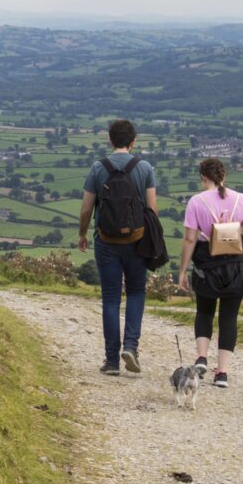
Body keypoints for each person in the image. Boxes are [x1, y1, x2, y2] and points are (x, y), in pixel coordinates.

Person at [78, 119, 158, 376]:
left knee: (111, 298)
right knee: (136, 293)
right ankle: (131, 347)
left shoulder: (98, 168)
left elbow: (87, 208)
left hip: (107, 241)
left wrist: (82, 234)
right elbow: (152, 210)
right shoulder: (145, 168)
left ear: (110, 140)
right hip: (137, 240)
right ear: (133, 141)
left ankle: (112, 360)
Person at [178, 158, 243, 388]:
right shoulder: (242, 200)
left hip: (207, 263)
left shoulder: (196, 202)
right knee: (229, 316)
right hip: (236, 264)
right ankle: (222, 372)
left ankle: (202, 357)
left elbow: (190, 239)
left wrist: (183, 269)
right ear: (224, 176)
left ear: (203, 177)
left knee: (204, 311)